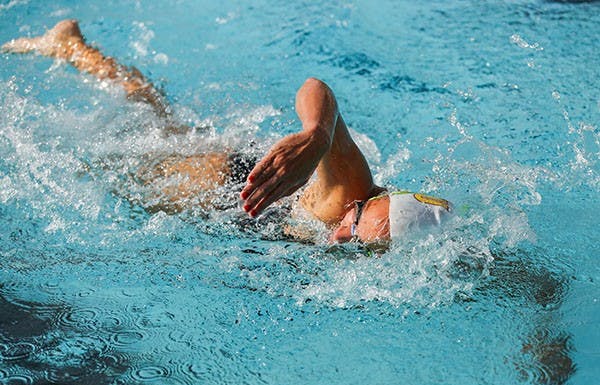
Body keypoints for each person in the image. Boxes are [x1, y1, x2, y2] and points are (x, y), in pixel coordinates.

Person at [2, 19, 452, 245]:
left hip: (242, 170)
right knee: (95, 169)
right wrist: (315, 135)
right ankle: (73, 48)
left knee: (156, 119)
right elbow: (318, 89)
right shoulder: (350, 189)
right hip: (215, 182)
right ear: (368, 202)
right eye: (356, 227)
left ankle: (74, 47)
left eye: (362, 247)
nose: (344, 238)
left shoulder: (379, 225)